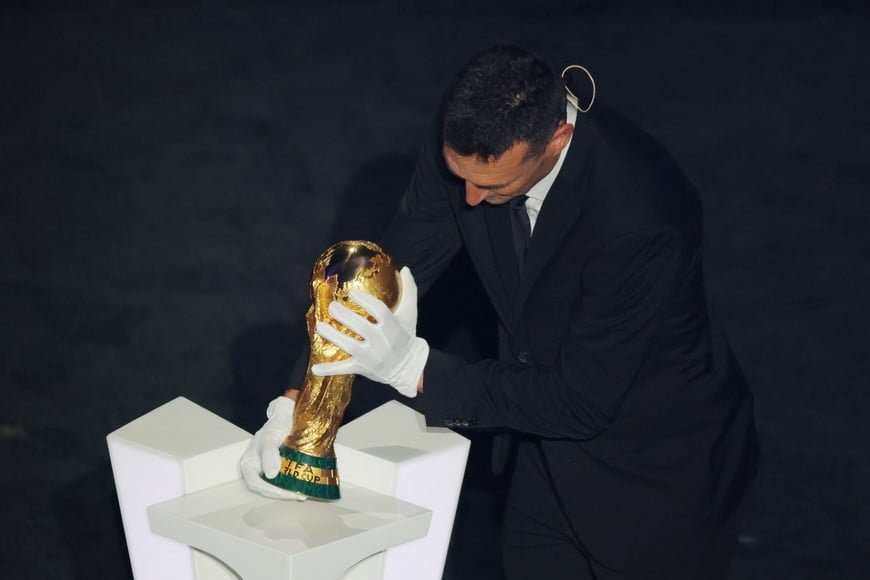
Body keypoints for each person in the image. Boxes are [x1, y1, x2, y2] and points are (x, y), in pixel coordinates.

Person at [242, 45, 759, 579]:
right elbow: (385, 273)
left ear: (558, 138)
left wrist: (412, 369)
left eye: (493, 186)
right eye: (457, 174)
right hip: (537, 465)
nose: (466, 198)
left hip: (654, 486)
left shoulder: (643, 223)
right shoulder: (469, 140)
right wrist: (297, 407)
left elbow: (579, 403)